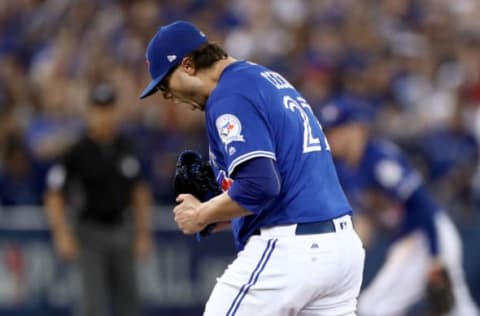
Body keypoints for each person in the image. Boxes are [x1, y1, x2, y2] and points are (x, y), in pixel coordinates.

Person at [139, 20, 365, 316]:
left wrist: (201, 213)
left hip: (291, 252)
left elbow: (261, 185)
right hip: (340, 250)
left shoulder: (229, 95)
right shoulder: (262, 78)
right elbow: (277, 183)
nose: (168, 96)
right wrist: (218, 212)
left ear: (188, 65)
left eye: (166, 85)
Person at [318, 99, 479, 316]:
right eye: (328, 131)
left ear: (357, 129)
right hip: (407, 241)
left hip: (426, 234)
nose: (330, 137)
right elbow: (365, 225)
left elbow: (422, 204)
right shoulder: (345, 171)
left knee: (376, 307)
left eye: (337, 130)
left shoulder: (379, 160)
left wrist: (435, 255)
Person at [44, 83, 153, 316]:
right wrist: (60, 232)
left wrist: (144, 233)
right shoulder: (76, 150)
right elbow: (54, 193)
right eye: (98, 109)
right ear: (89, 112)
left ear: (115, 111)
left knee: (129, 302)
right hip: (89, 233)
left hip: (123, 229)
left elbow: (140, 191)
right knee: (91, 304)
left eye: (108, 109)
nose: (103, 115)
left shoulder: (127, 147)